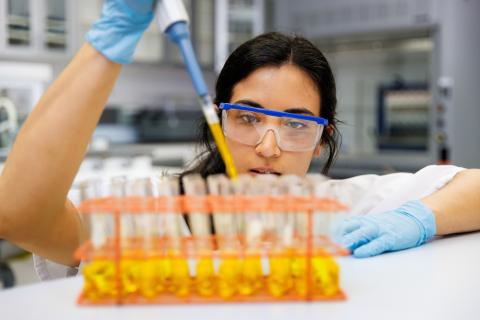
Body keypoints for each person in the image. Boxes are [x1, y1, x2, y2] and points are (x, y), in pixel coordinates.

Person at [0, 0, 478, 280]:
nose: (269, 146)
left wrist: (418, 217)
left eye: (296, 124)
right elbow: (20, 215)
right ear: (218, 122)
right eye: (248, 118)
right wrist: (108, 42)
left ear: (321, 140)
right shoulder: (151, 211)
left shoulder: (346, 208)